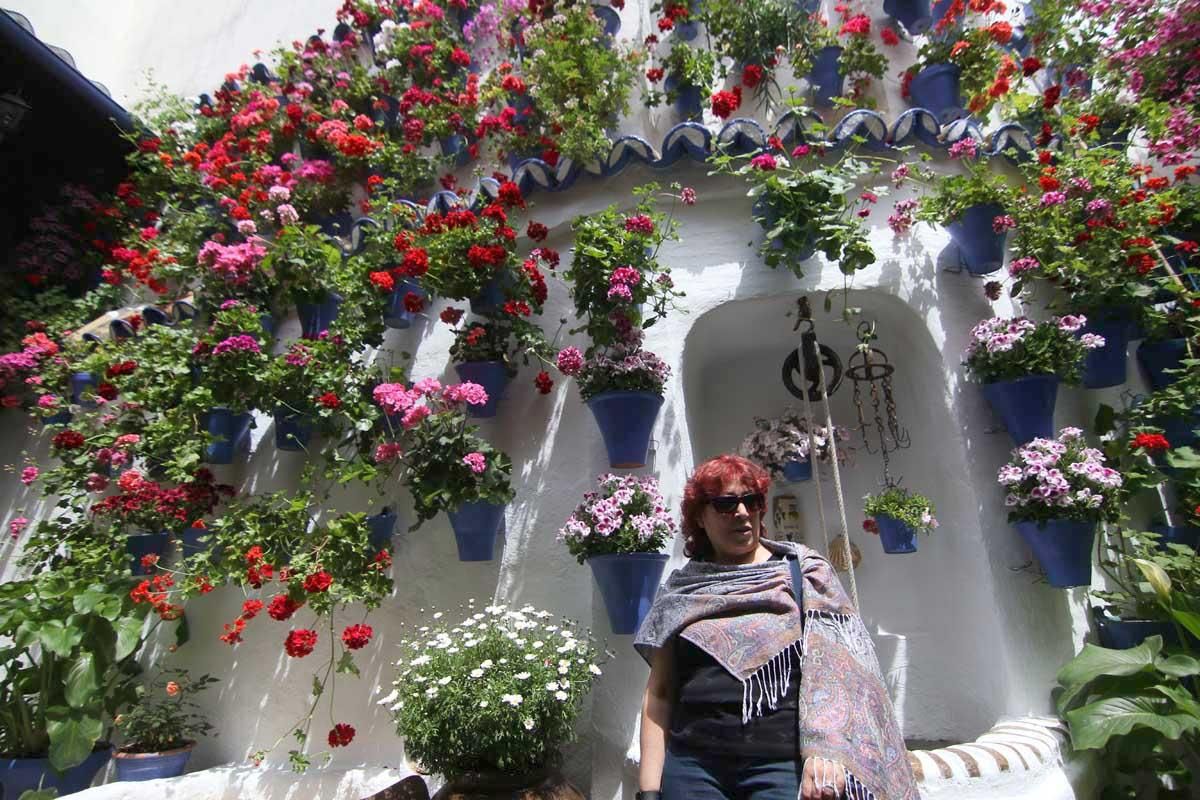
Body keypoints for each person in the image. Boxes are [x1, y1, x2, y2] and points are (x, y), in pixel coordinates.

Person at [633, 454, 917, 800]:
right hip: (693, 765)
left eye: (751, 501)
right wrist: (648, 790)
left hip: (781, 766)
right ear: (699, 518)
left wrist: (828, 749)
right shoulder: (681, 591)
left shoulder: (805, 574)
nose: (741, 512)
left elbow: (843, 675)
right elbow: (659, 693)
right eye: (725, 504)